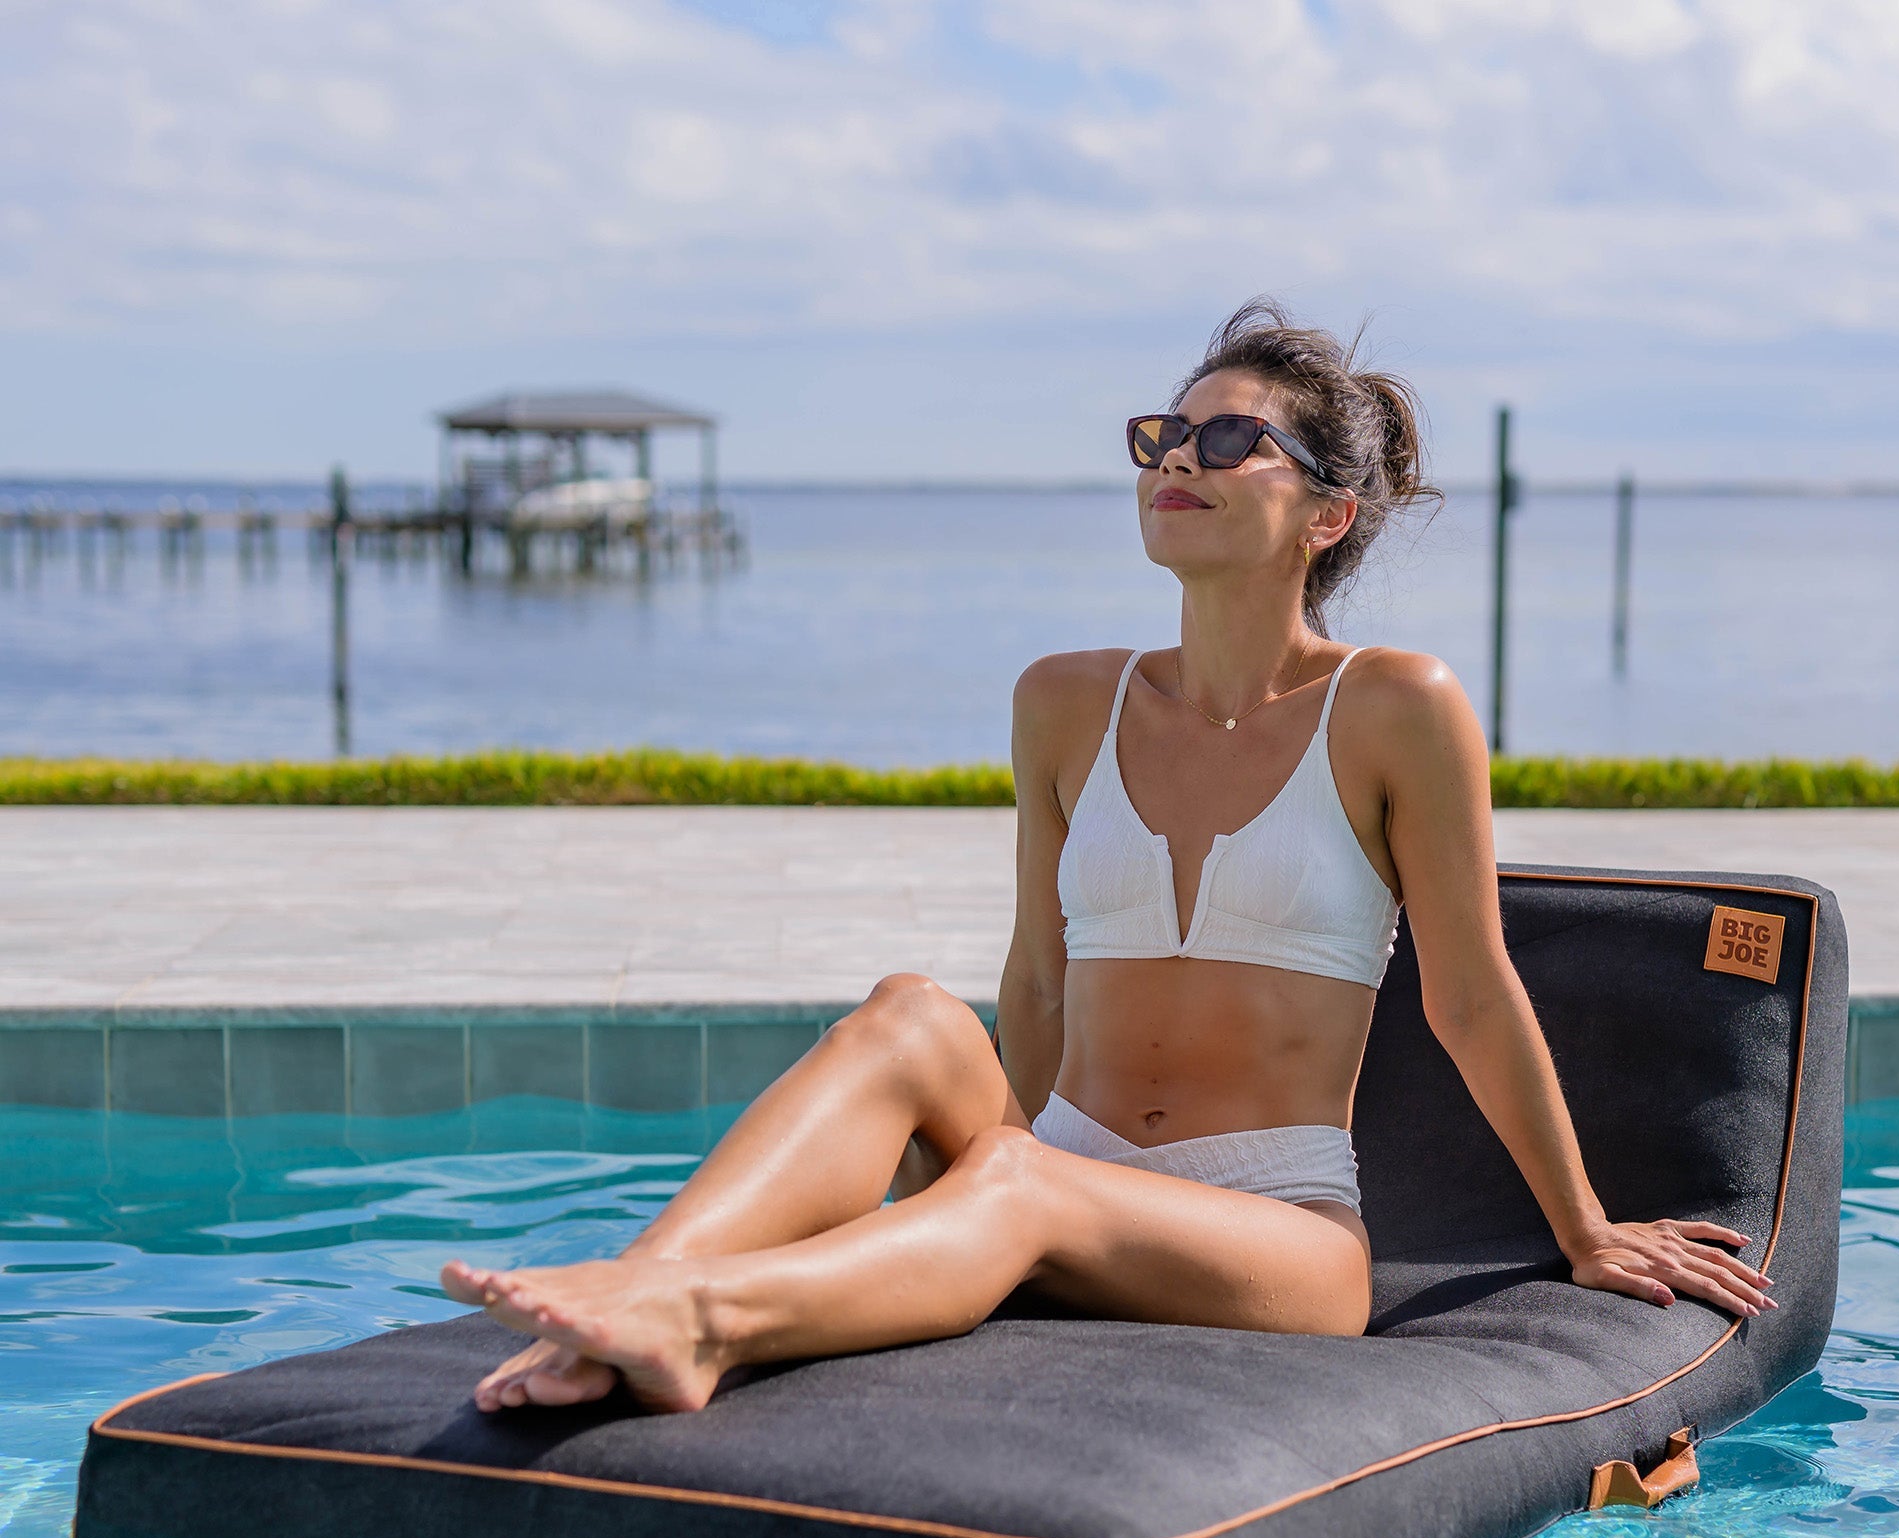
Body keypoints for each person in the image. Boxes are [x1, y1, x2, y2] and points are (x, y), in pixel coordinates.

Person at [442, 299, 1773, 1414]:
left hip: (1275, 1234)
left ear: (1328, 514)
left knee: (1017, 1180)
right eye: (1163, 434)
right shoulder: (1066, 699)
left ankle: (708, 1319)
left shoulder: (1397, 707)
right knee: (912, 1014)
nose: (1174, 458)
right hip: (1060, 1157)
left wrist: (1586, 1229)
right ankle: (620, 1307)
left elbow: (1471, 994)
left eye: (1227, 438)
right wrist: (984, 1173)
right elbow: (1034, 980)